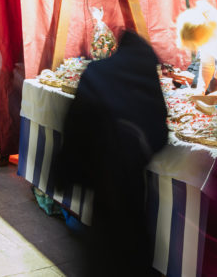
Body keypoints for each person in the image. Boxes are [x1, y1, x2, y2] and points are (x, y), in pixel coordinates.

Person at [53, 31, 169, 276]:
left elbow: (74, 123)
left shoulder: (97, 72)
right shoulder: (146, 78)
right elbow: (161, 133)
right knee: (133, 243)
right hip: (132, 181)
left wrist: (66, 170)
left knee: (103, 242)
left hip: (100, 175)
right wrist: (139, 152)